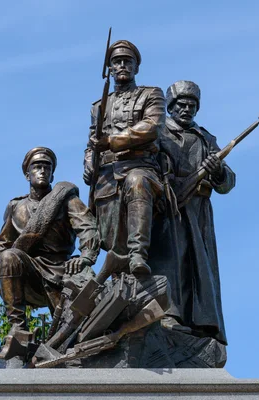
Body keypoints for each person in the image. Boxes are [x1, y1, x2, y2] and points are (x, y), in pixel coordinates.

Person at [0, 147, 100, 359]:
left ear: (53, 173)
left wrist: (86, 257)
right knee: (9, 256)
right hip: (30, 273)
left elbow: (87, 227)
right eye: (37, 167)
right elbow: (2, 243)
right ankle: (18, 329)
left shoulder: (66, 199)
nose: (42, 171)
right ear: (28, 174)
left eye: (47, 167)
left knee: (74, 334)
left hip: (62, 271)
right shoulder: (16, 207)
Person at [157, 80, 235, 345]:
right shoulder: (159, 133)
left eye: (192, 105)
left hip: (198, 211)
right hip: (168, 207)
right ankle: (168, 315)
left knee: (198, 269)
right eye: (182, 104)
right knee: (170, 263)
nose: (187, 110)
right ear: (171, 106)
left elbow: (227, 182)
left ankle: (201, 325)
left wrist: (217, 170)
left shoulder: (206, 138)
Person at [83, 39, 166, 276]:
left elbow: (151, 127)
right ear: (109, 68)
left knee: (136, 182)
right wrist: (89, 161)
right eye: (116, 62)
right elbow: (91, 141)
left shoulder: (151, 95)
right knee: (111, 240)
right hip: (106, 177)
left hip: (140, 167)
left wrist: (112, 141)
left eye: (127, 61)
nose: (122, 66)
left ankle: (138, 255)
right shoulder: (99, 106)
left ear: (136, 67)